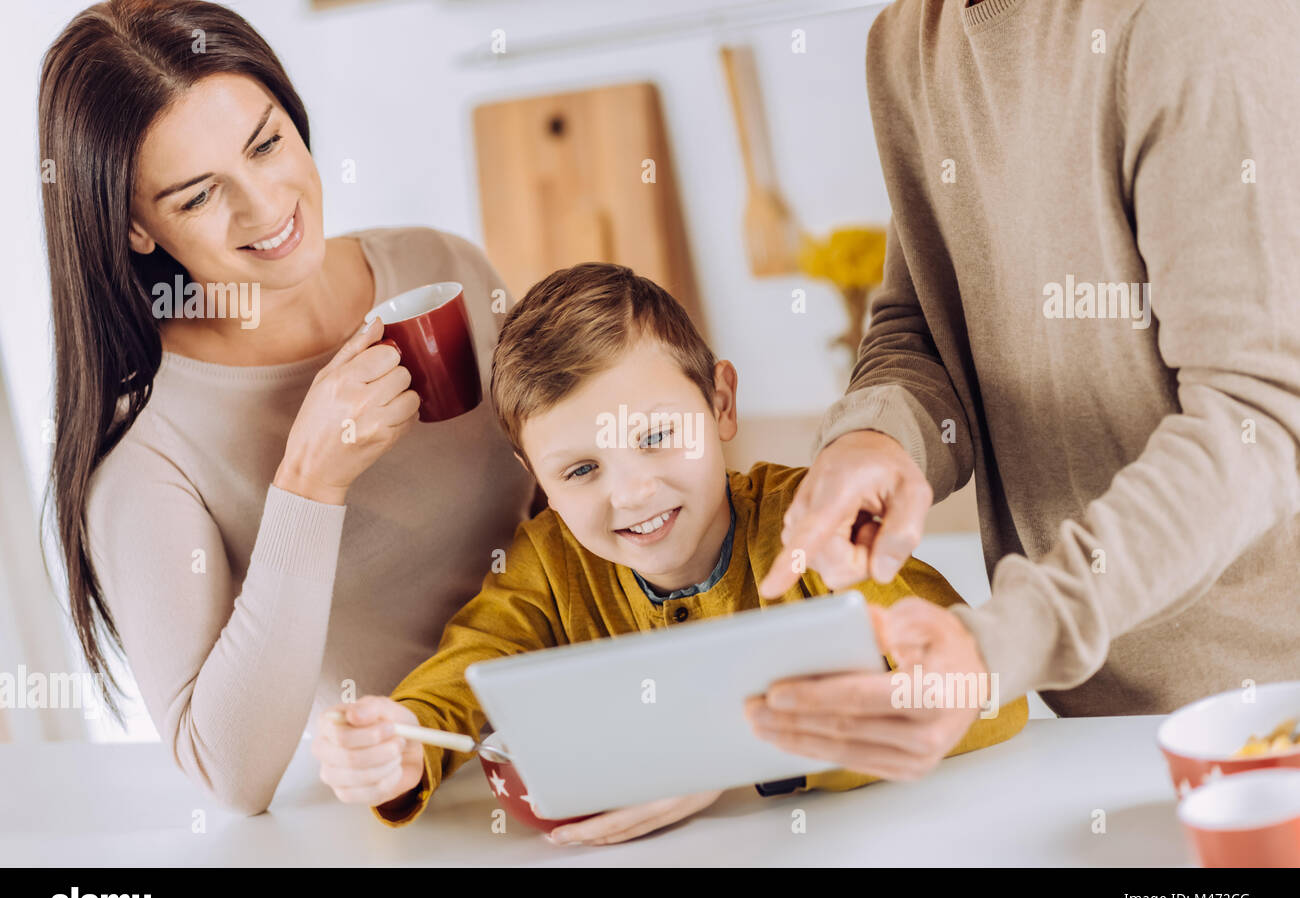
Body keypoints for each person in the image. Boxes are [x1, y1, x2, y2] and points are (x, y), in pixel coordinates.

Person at [755, 0, 1300, 774]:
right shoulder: (906, 44)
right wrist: (877, 437)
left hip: (1274, 704)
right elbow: (922, 325)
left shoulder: (1194, 20)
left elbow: (1257, 421)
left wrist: (1004, 640)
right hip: (1092, 717)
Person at [313, 263, 1028, 845]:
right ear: (536, 478)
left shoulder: (815, 525)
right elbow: (460, 680)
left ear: (721, 403)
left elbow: (987, 692)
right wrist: (399, 744)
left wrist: (733, 760)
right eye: (580, 470)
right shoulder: (546, 566)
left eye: (655, 437)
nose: (630, 494)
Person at [39, 0, 534, 813]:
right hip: (425, 809)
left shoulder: (437, 264)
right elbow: (232, 771)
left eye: (267, 144)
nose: (267, 208)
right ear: (135, 226)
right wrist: (308, 481)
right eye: (199, 196)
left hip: (588, 738)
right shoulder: (146, 446)